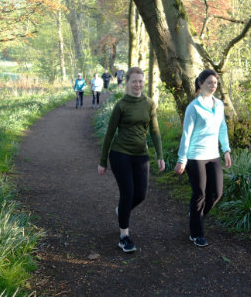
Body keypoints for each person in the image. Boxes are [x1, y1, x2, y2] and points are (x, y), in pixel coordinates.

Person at [98, 67, 166, 253]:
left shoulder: (149, 104)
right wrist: (102, 161)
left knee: (141, 194)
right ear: (127, 83)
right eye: (134, 81)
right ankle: (124, 236)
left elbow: (155, 131)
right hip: (120, 153)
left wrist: (160, 155)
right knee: (127, 192)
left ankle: (122, 211)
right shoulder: (121, 105)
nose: (137, 85)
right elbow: (110, 133)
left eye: (140, 81)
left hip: (140, 154)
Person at [174, 69, 232, 247]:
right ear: (200, 84)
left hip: (213, 154)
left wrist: (226, 150)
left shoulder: (219, 105)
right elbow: (187, 134)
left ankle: (195, 217)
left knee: (216, 193)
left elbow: (222, 128)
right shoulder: (193, 107)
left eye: (215, 83)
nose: (213, 86)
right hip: (196, 156)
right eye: (209, 82)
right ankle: (196, 233)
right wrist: (182, 159)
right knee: (199, 194)